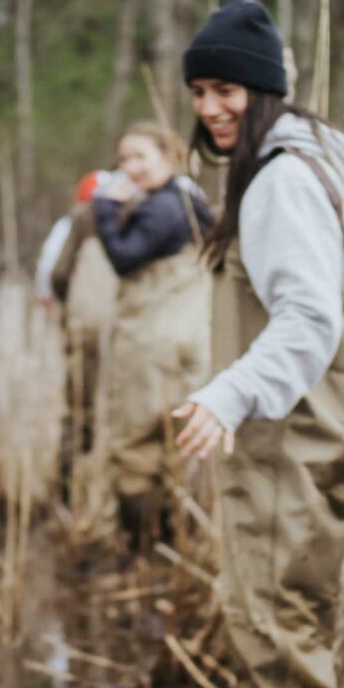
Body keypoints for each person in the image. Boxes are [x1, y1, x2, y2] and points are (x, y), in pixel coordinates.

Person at [174, 0, 344, 688]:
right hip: (301, 436)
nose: (211, 106)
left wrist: (227, 392)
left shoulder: (283, 177)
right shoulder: (293, 163)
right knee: (286, 629)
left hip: (290, 442)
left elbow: (308, 319)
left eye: (227, 89)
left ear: (264, 90)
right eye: (200, 90)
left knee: (280, 637)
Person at [92, 122, 215, 550]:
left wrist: (105, 208)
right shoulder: (192, 199)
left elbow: (125, 258)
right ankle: (175, 540)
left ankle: (140, 548)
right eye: (124, 159)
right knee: (174, 444)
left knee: (136, 445)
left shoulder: (164, 206)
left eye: (140, 156)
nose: (130, 168)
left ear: (169, 156)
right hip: (189, 337)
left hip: (151, 343)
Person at [43, 171, 120, 498]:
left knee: (78, 408)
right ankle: (104, 495)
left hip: (84, 328)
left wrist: (71, 306)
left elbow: (56, 273)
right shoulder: (144, 213)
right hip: (126, 332)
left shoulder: (77, 218)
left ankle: (68, 488)